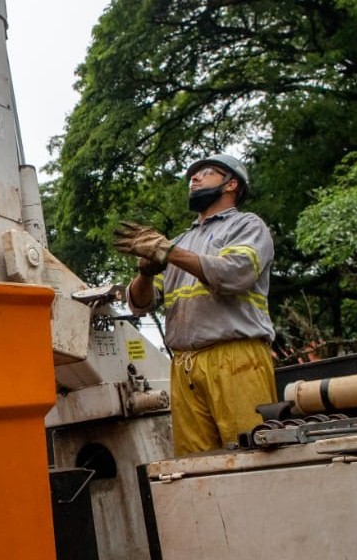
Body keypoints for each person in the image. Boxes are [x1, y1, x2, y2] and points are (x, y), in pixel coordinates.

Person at [113, 154, 276, 456]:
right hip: (185, 365)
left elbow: (234, 273)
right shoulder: (180, 242)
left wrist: (168, 251)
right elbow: (140, 304)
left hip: (237, 358)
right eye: (192, 175)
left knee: (251, 454)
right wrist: (145, 273)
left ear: (232, 184)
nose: (195, 178)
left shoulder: (247, 225)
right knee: (195, 464)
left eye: (207, 173)